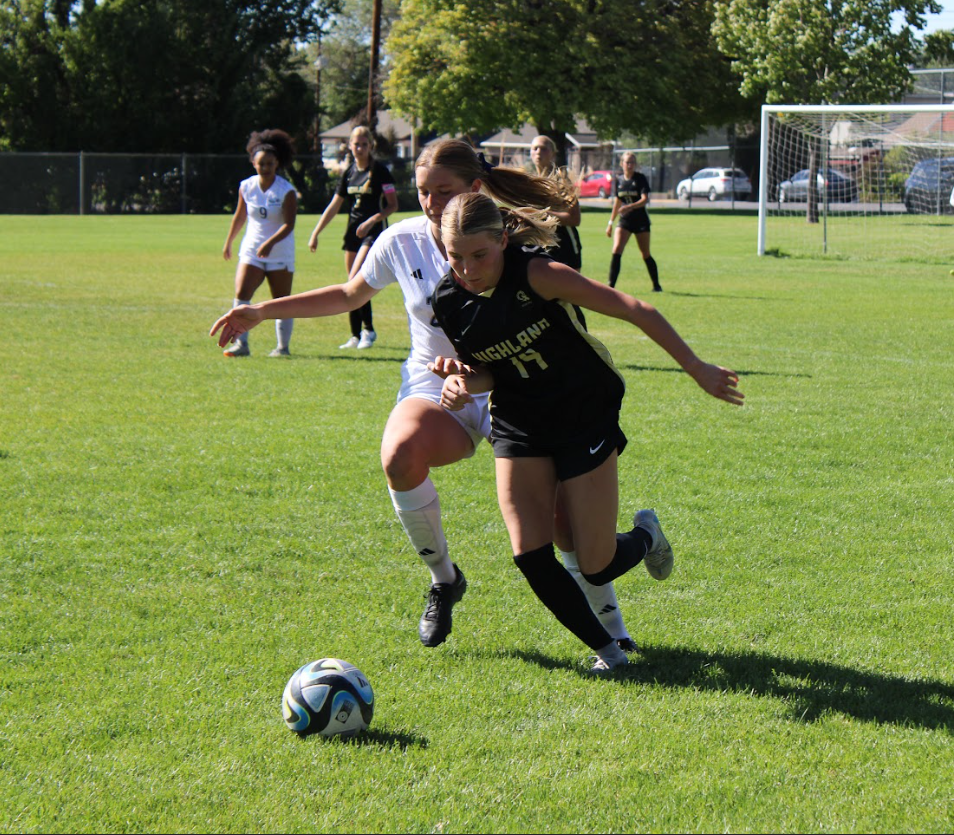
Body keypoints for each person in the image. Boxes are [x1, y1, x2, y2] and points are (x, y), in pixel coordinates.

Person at [210, 138, 636, 652]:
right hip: (436, 388)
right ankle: (443, 578)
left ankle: (615, 633)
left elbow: (560, 289)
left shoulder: (500, 236)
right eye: (422, 192)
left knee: (567, 528)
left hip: (515, 390)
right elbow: (349, 294)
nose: (431, 204)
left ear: (474, 189)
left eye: (443, 191)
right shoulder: (401, 240)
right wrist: (263, 310)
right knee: (399, 454)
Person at [428, 192, 743, 671]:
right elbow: (492, 370)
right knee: (530, 553)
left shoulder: (539, 274)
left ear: (504, 240)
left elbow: (636, 308)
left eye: (479, 255)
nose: (467, 269)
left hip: (582, 411)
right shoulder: (449, 300)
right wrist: (460, 381)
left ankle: (646, 536)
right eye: (455, 256)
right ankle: (610, 653)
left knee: (596, 561)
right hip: (519, 419)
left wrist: (696, 367)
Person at [308, 126, 399, 350]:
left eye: (364, 144)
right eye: (356, 144)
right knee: (351, 282)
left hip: (373, 234)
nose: (359, 148)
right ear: (350, 146)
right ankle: (355, 336)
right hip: (352, 234)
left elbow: (393, 205)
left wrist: (371, 221)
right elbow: (334, 205)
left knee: (356, 277)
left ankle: (368, 330)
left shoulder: (380, 172)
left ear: (370, 146)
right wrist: (316, 232)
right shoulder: (349, 172)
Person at [221, 129, 299, 358]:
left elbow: (289, 225)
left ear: (277, 164)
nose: (265, 167)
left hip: (280, 252)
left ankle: (282, 348)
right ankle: (240, 344)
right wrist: (229, 241)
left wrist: (270, 244)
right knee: (242, 293)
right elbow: (240, 216)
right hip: (252, 250)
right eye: (261, 163)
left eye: (270, 163)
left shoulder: (286, 191)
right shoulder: (247, 186)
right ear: (253, 163)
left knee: (281, 301)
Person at [607, 152, 661, 292]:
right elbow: (618, 202)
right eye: (627, 162)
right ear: (622, 164)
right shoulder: (619, 180)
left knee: (645, 253)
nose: (630, 165)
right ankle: (611, 286)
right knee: (617, 249)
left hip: (640, 220)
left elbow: (644, 200)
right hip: (625, 221)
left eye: (632, 162)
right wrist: (610, 223)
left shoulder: (640, 178)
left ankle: (656, 285)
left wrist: (629, 207)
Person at [529, 135, 582, 270]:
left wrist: (543, 214)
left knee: (571, 289)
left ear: (553, 153)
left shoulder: (561, 181)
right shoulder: (531, 183)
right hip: (543, 242)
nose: (538, 152)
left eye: (544, 149)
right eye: (535, 148)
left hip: (564, 242)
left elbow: (574, 219)